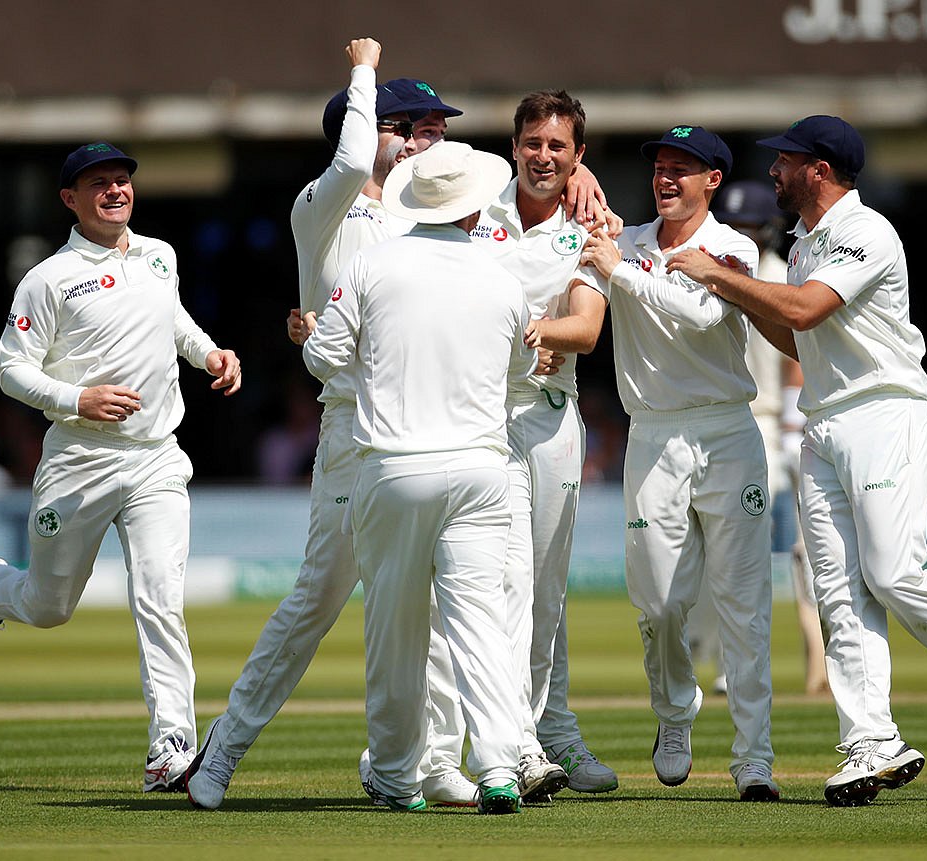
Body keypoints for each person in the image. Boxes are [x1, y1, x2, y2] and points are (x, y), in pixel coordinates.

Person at [667, 115, 927, 806]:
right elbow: (800, 341)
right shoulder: (804, 244)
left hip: (886, 412)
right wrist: (732, 287)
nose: (773, 170)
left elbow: (803, 312)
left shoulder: (866, 232)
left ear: (820, 170)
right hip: (826, 421)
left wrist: (720, 273)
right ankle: (872, 739)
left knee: (893, 572)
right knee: (837, 593)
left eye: (785, 160)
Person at [186, 39, 478, 811]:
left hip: (435, 425)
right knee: (319, 597)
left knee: (449, 599)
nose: (427, 137)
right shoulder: (325, 204)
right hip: (355, 426)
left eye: (433, 127)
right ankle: (224, 747)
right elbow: (354, 162)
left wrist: (579, 175)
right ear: (365, 126)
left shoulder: (436, 218)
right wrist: (362, 69)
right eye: (408, 125)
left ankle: (433, 759)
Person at [0, 141, 242, 793]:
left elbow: (175, 322)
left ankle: (171, 745)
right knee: (49, 606)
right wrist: (77, 398)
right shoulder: (48, 278)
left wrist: (211, 352)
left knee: (160, 597)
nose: (115, 190)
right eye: (98, 183)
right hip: (79, 462)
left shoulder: (160, 255)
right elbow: (11, 367)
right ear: (69, 199)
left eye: (122, 180)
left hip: (158, 457)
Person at [303, 141, 536, 814]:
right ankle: (497, 768)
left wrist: (377, 370)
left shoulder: (373, 261)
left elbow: (321, 357)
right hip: (481, 469)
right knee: (481, 627)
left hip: (396, 466)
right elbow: (522, 373)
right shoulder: (502, 279)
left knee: (395, 630)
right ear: (471, 209)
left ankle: (398, 775)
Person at [579, 126, 779, 802]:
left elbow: (696, 313)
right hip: (654, 435)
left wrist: (617, 271)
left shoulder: (731, 248)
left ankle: (754, 758)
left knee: (743, 604)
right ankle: (674, 711)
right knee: (659, 603)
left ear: (713, 181)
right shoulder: (628, 239)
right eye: (661, 168)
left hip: (727, 432)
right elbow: (574, 230)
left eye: (683, 170)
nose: (667, 179)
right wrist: (591, 210)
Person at [469, 89, 618, 800]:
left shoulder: (591, 226)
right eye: (533, 143)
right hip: (483, 419)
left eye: (559, 146)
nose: (544, 157)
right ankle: (520, 743)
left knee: (546, 590)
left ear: (578, 155)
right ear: (514, 146)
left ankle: (553, 730)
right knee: (507, 586)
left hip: (553, 417)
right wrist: (530, 330)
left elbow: (585, 330)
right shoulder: (475, 207)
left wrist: (538, 332)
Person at [712, 179, 829, 697]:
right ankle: (731, 661)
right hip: (739, 423)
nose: (740, 235)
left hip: (777, 423)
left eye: (747, 228)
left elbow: (796, 361)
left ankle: (820, 658)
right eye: (733, 227)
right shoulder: (713, 273)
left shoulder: (783, 277)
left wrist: (790, 425)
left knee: (803, 551)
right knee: (737, 548)